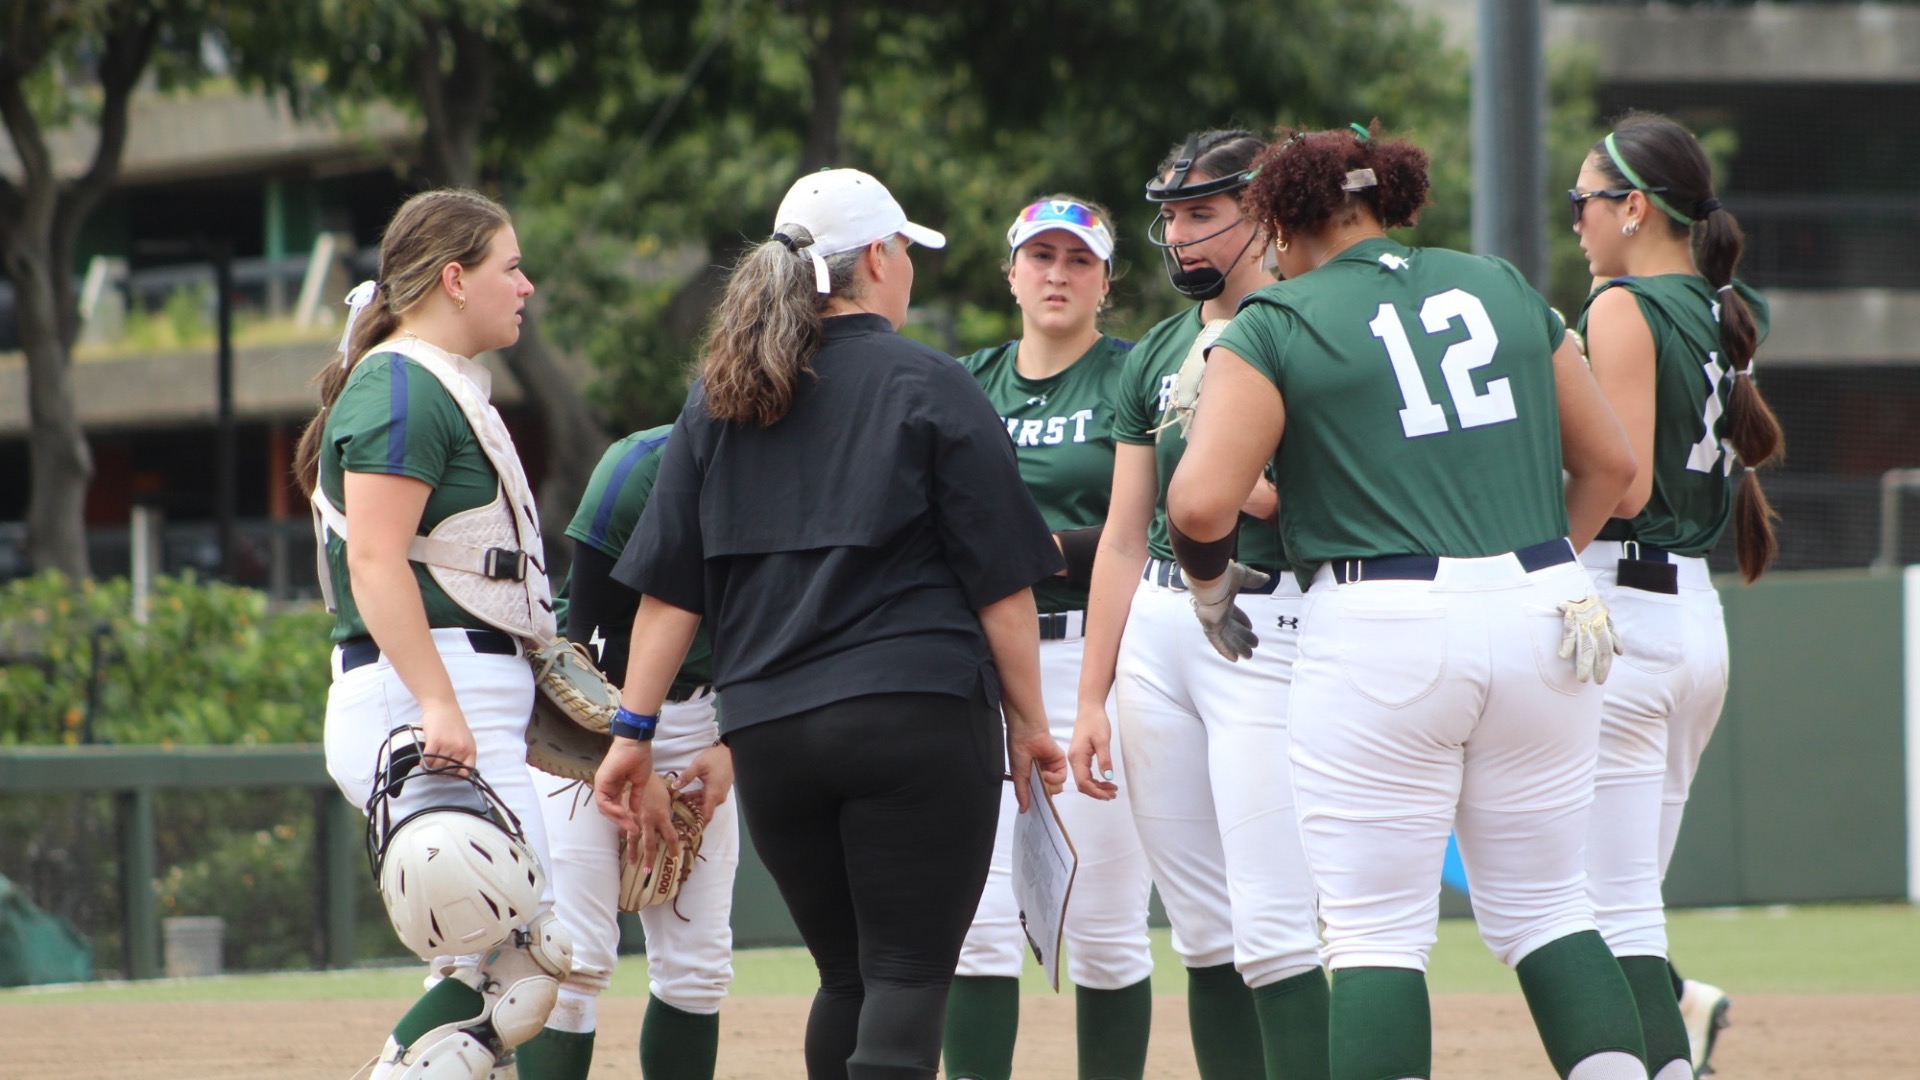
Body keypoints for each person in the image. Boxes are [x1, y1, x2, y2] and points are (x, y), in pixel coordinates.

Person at [1164, 122, 1647, 1080]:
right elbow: (1614, 468)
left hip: (1381, 622)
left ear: (1281, 220)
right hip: (1548, 607)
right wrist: (1528, 571)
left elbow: (1199, 500)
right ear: (1390, 198)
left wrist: (1213, 592)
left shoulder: (1279, 318)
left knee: (1377, 934)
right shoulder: (1502, 283)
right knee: (1553, 911)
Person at [591, 167, 1070, 1080]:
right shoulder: (931, 379)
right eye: (906, 254)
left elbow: (671, 593)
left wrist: (632, 731)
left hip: (770, 731)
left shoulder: (720, 395)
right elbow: (1003, 588)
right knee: (904, 975)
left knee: (845, 979)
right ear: (880, 259)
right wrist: (1031, 725)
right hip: (914, 714)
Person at [1071, 129, 1331, 1080]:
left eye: (1203, 214)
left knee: (1274, 926)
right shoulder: (1159, 354)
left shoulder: (1314, 324)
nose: (1179, 237)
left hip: (1274, 621)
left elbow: (1352, 495)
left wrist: (1248, 489)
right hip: (1158, 630)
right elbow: (1122, 535)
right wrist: (1092, 697)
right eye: (1172, 215)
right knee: (1204, 932)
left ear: (1263, 213)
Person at [294, 188, 569, 1080]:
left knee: (504, 968)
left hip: (449, 684)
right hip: (422, 689)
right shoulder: (400, 382)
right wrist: (442, 704)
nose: (525, 284)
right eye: (509, 266)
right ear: (454, 279)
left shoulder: (436, 382)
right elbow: (375, 561)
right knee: (516, 967)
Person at [1570, 110, 1781, 1080]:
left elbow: (1622, 484)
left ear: (1635, 208)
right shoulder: (1727, 306)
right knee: (1617, 902)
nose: (1575, 218)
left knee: (1601, 911)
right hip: (1692, 615)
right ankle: (1677, 1022)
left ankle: (1663, 1052)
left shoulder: (1622, 304)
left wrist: (1530, 561)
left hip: (1622, 611)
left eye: (1585, 201)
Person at [945, 196, 1158, 1080]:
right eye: (1041, 257)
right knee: (978, 930)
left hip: (1096, 657)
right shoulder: (966, 379)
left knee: (1107, 928)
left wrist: (1012, 551)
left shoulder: (1134, 373)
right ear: (1011, 274)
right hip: (977, 666)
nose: (1058, 274)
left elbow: (1137, 531)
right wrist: (1053, 550)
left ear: (1107, 280)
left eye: (1079, 259)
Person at [516, 425, 740, 1080]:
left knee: (699, 970)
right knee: (574, 959)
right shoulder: (641, 466)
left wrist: (737, 747)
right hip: (589, 710)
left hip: (707, 718)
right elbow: (583, 639)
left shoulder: (809, 472)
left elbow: (794, 634)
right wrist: (623, 748)